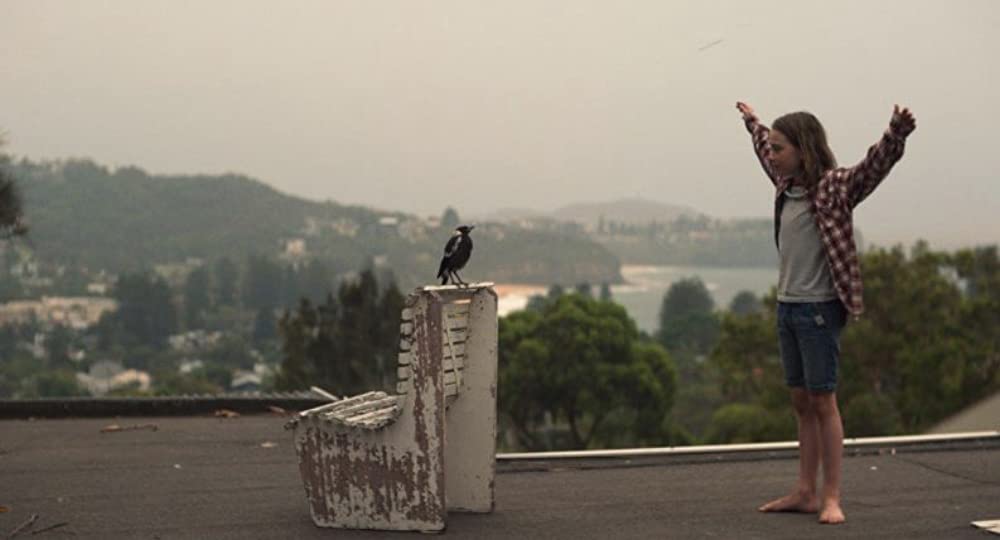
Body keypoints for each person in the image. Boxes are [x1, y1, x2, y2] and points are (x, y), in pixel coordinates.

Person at [735, 101, 916, 524]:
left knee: (823, 401)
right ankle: (804, 490)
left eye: (782, 149)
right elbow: (763, 145)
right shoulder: (785, 185)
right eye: (773, 149)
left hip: (818, 310)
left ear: (804, 149)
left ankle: (831, 496)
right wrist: (752, 124)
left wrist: (896, 133)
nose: (773, 155)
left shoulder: (835, 187)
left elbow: (873, 167)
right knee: (800, 401)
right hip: (787, 307)